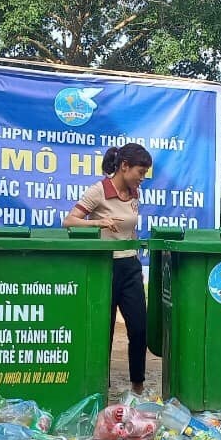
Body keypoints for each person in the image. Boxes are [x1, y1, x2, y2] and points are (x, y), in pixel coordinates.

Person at [64, 143, 151, 395]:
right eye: (140, 171)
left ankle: (138, 385)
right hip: (105, 267)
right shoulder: (98, 191)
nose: (142, 178)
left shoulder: (135, 192)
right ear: (124, 166)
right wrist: (100, 222)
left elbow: (129, 227)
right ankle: (100, 387)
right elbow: (68, 221)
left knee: (139, 327)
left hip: (131, 265)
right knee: (106, 330)